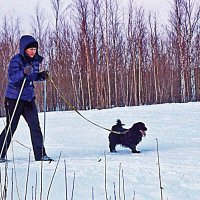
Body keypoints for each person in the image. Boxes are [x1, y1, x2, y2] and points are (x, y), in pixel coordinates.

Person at [0, 35, 52, 162]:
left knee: (35, 126)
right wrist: (23, 72)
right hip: (14, 98)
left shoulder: (35, 61)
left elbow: (32, 78)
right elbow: (12, 78)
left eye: (35, 49)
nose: (33, 52)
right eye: (31, 49)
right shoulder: (16, 60)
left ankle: (40, 155)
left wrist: (41, 76)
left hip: (28, 99)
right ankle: (0, 152)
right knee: (11, 126)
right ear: (24, 49)